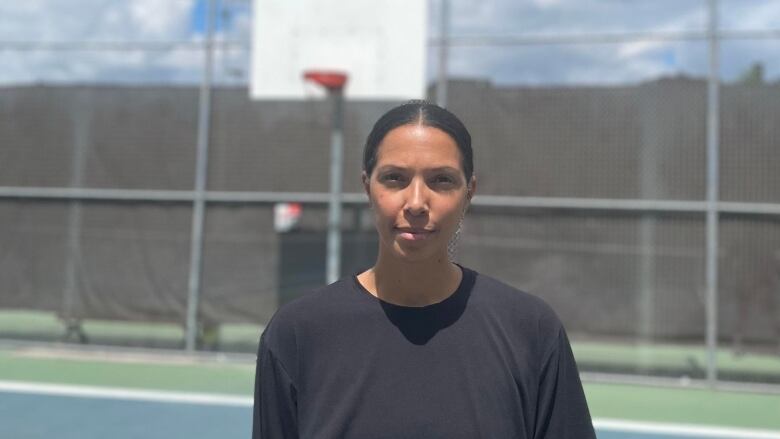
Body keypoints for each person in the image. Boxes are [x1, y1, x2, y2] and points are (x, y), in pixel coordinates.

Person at [253, 101, 596, 438]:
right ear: (366, 188)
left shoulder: (531, 331)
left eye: (442, 180)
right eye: (394, 178)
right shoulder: (297, 334)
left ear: (469, 193)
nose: (416, 202)